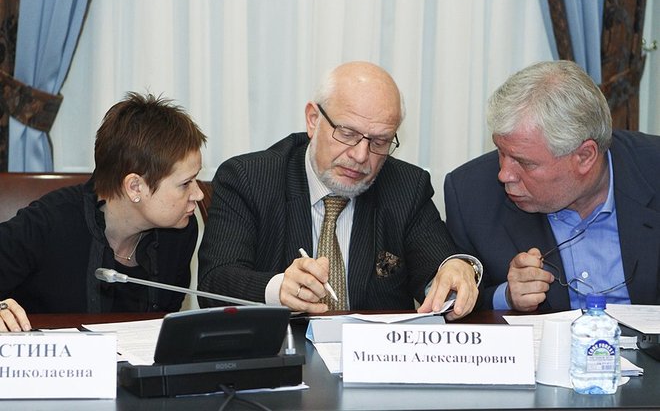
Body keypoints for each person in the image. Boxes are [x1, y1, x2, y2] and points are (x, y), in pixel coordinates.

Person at [198, 61, 481, 320]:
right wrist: (277, 289)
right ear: (313, 119)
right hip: (279, 349)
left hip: (372, 353)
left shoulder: (407, 186)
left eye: (379, 142)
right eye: (347, 134)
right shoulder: (250, 178)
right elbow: (214, 281)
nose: (360, 155)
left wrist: (454, 272)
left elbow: (438, 267)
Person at [444, 60, 660, 312]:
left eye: (524, 162)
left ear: (585, 156)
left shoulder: (652, 169)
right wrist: (508, 296)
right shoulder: (471, 193)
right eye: (502, 152)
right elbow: (454, 304)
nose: (504, 174)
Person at [0, 92, 207, 331]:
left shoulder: (180, 231)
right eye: (185, 183)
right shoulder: (49, 223)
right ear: (135, 187)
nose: (199, 194)